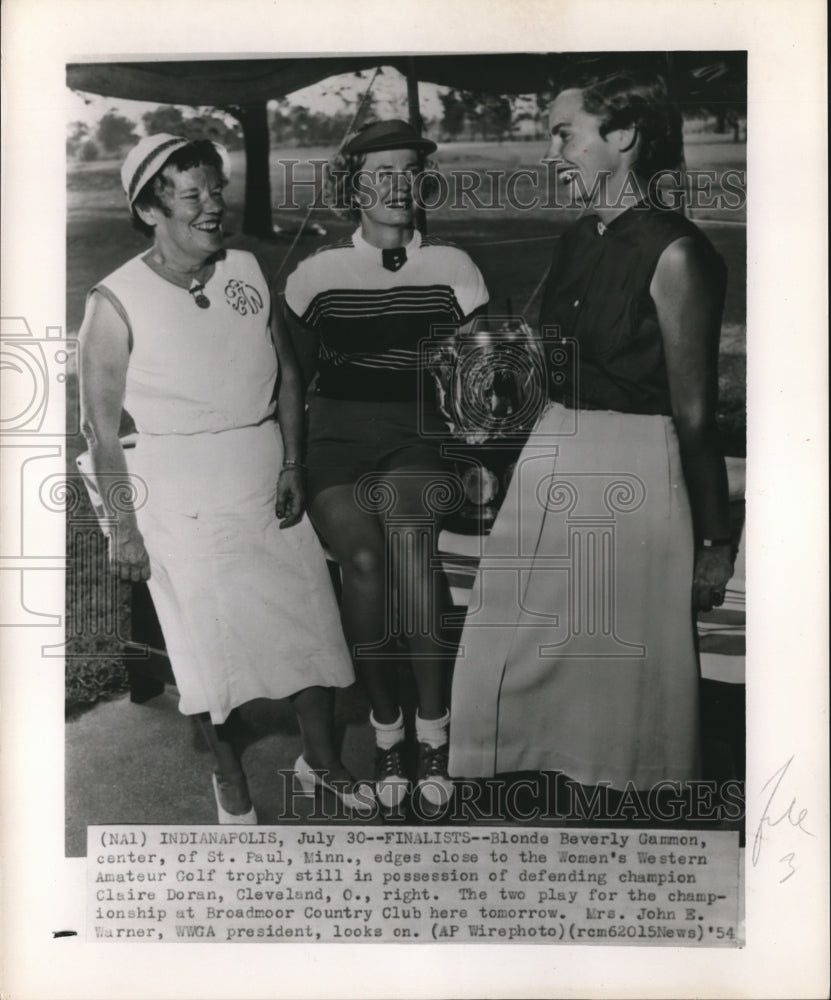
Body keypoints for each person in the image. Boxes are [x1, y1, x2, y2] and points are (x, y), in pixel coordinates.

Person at [449, 72, 734, 797]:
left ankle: (623, 814)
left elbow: (697, 415)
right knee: (502, 649)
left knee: (615, 685)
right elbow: (538, 356)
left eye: (562, 134)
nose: (550, 151)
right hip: (549, 453)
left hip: (634, 468)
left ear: (623, 138)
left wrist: (713, 544)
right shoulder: (577, 238)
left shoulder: (677, 254)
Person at [79, 133, 370, 823]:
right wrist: (123, 529)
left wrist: (295, 462)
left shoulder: (244, 265)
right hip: (175, 496)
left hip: (263, 473)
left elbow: (290, 375)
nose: (212, 206)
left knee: (310, 626)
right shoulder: (114, 301)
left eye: (216, 189)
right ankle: (228, 778)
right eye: (191, 195)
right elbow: (99, 431)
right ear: (151, 210)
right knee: (210, 653)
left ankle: (321, 762)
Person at [282, 120, 489, 813]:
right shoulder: (314, 276)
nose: (396, 186)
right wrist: (287, 461)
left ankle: (433, 735)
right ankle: (386, 731)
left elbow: (478, 381)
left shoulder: (455, 269)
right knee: (363, 560)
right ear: (352, 187)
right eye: (380, 175)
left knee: (408, 545)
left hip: (414, 439)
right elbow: (293, 383)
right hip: (336, 440)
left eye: (408, 173)